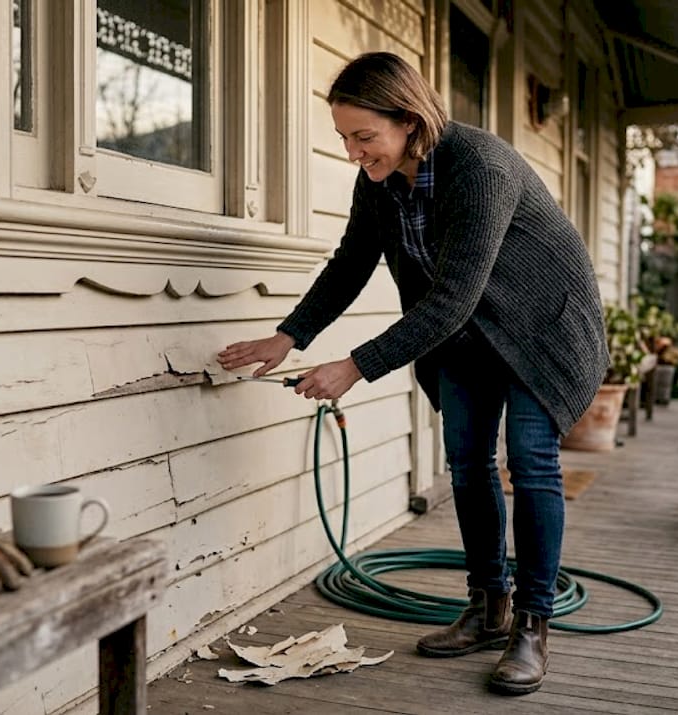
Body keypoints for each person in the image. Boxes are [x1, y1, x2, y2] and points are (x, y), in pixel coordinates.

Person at [217, 51, 607, 696]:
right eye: (343, 138)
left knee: (531, 461)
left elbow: (452, 294)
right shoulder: (378, 181)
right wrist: (289, 336)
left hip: (542, 328)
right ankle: (489, 607)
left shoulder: (479, 168)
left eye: (363, 136)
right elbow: (350, 265)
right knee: (467, 462)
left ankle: (533, 626)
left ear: (409, 118)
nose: (352, 153)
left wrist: (355, 366)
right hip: (465, 332)